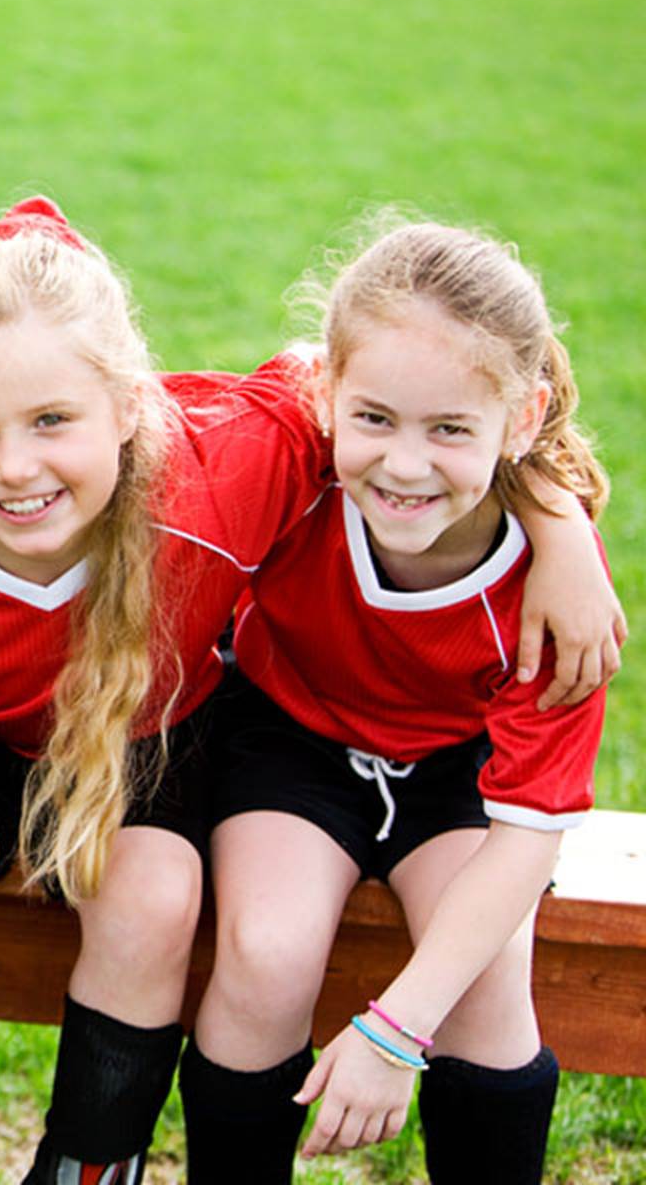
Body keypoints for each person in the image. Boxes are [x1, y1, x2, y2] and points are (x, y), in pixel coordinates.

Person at [0, 200, 620, 1185]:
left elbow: (404, 394)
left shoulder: (241, 470)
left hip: (283, 754)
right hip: (200, 746)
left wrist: (559, 515)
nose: (16, 466)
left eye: (55, 422)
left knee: (435, 978)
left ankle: (89, 1170)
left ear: (130, 405)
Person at [179, 222, 611, 1183]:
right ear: (329, 395)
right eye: (375, 420)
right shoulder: (293, 456)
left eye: (450, 430)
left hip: (459, 772)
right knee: (265, 952)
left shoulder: (558, 598)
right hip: (288, 734)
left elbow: (530, 834)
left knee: (487, 982)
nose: (405, 466)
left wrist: (392, 1032)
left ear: (525, 416)